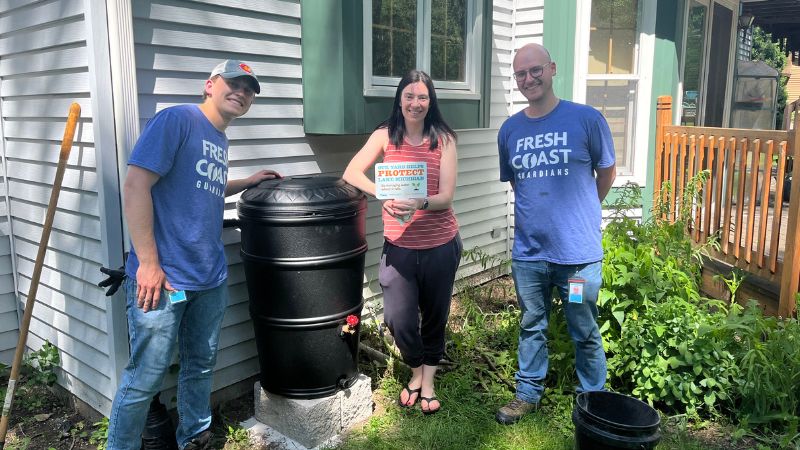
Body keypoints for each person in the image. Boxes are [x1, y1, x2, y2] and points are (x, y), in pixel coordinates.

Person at [106, 60, 280, 450]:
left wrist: (246, 182)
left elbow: (201, 189)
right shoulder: (177, 120)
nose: (242, 93)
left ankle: (194, 439)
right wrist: (148, 264)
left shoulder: (219, 138)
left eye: (249, 89)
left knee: (201, 366)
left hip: (209, 277)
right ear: (210, 85)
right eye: (234, 83)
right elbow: (135, 186)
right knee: (145, 377)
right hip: (164, 279)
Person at [494, 43, 616, 425]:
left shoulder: (586, 119)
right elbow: (519, 184)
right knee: (532, 324)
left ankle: (591, 399)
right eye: (520, 74)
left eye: (535, 70)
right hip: (530, 257)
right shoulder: (510, 130)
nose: (528, 79)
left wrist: (582, 210)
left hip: (577, 258)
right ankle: (527, 393)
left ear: (552, 68)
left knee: (583, 326)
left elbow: (606, 172)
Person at [343, 69, 462, 415]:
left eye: (422, 96)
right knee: (399, 318)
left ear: (431, 100)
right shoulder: (385, 136)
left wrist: (419, 202)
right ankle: (415, 368)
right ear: (399, 99)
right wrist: (381, 191)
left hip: (440, 244)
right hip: (400, 247)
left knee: (435, 316)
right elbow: (351, 173)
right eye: (409, 96)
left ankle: (426, 382)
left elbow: (447, 197)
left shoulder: (444, 139)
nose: (416, 102)